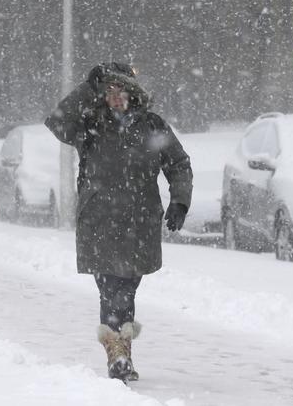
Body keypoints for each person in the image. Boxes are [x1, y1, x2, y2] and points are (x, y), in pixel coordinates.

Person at [45, 62, 193, 383]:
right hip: (99, 220)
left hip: (139, 222)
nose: (114, 97)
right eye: (109, 91)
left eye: (120, 90)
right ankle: (118, 355)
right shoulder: (90, 124)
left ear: (132, 94)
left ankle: (121, 352)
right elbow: (56, 121)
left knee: (128, 287)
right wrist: (87, 87)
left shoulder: (151, 125)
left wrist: (180, 201)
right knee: (110, 288)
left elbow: (178, 163)